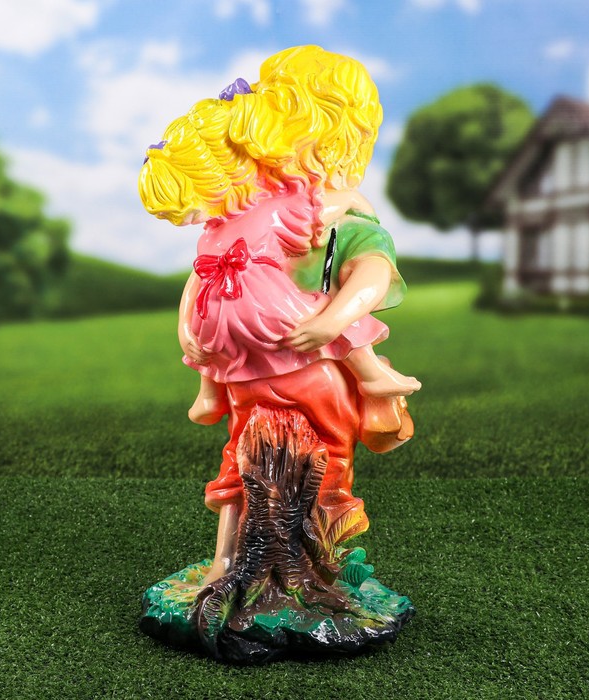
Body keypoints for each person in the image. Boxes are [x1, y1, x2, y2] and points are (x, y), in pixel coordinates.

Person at [139, 45, 419, 583]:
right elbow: (200, 277)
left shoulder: (314, 217)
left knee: (317, 459)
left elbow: (370, 270)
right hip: (246, 366)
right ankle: (232, 562)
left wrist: (331, 318)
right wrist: (186, 327)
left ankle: (308, 563)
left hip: (304, 362)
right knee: (243, 460)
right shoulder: (238, 218)